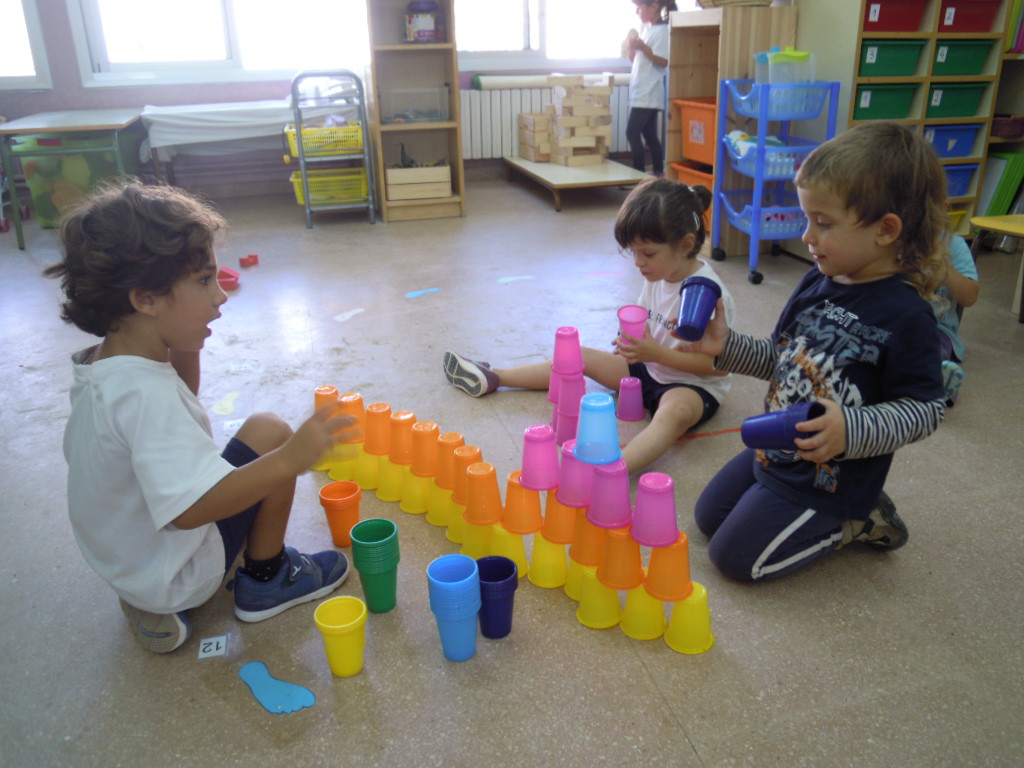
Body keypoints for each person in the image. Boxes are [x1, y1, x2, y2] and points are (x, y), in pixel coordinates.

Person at [45, 181, 354, 653]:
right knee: (277, 442)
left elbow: (181, 398)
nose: (221, 296)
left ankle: (146, 599)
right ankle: (267, 579)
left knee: (265, 427)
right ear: (146, 299)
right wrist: (290, 460)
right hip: (177, 566)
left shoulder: (108, 364)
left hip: (129, 557)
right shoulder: (145, 396)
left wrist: (185, 341)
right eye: (205, 280)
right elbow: (192, 511)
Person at [687, 122, 948, 582]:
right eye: (808, 218)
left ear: (886, 229)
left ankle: (854, 522)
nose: (807, 235)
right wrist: (726, 347)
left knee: (734, 559)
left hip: (831, 480)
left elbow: (925, 410)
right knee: (708, 517)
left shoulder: (908, 316)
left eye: (823, 223)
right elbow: (781, 359)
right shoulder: (816, 281)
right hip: (779, 447)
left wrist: (851, 428)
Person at [443, 178, 735, 474]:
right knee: (575, 355)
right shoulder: (660, 274)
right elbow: (645, 324)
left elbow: (718, 368)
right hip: (647, 368)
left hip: (690, 385)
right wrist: (631, 341)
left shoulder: (708, 295)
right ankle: (496, 376)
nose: (638, 262)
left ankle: (613, 471)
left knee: (676, 413)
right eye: (633, 252)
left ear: (686, 244)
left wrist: (656, 353)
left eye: (647, 254)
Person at [624, 0, 676, 176]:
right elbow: (640, 60)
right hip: (642, 90)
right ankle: (658, 172)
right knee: (650, 134)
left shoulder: (662, 31)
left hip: (649, 91)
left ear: (654, 6)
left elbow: (663, 61)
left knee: (632, 132)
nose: (637, 12)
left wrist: (643, 47)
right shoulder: (647, 29)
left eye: (639, 8)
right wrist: (633, 50)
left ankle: (638, 174)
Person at [932, 233, 979, 405]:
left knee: (933, 351)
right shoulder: (890, 239)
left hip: (937, 328)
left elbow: (969, 297)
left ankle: (939, 383)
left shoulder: (953, 244)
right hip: (894, 324)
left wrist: (946, 269)